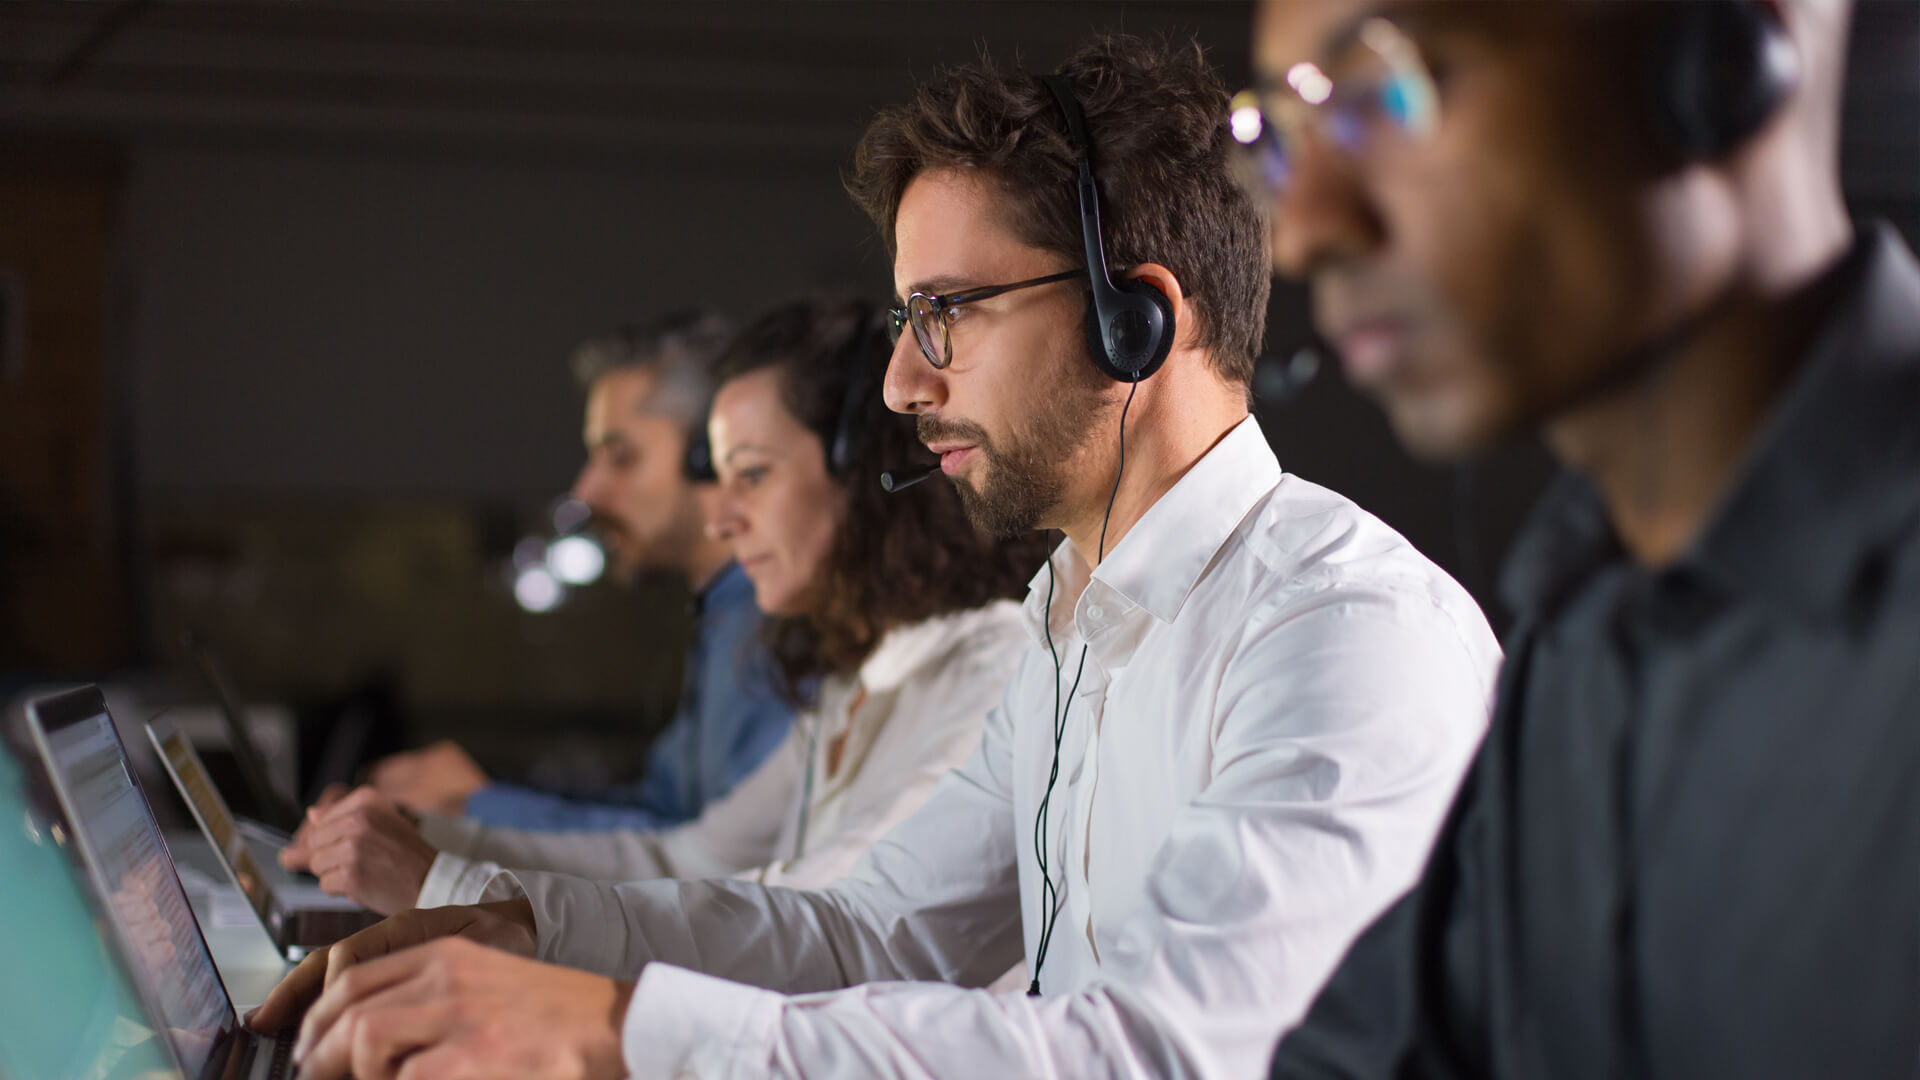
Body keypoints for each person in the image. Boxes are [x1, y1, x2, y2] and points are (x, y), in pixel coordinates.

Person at [248, 35, 1501, 1080]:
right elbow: (864, 930)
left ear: (1137, 321)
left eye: (946, 315)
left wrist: (618, 1032)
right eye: (908, 323)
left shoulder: (1344, 632)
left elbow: (1157, 1055)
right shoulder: (1071, 622)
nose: (904, 382)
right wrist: (520, 931)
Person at [1246, 1, 1920, 1076]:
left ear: (1720, 61)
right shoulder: (1586, 637)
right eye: (1286, 128)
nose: (1308, 224)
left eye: (1384, 84)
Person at [279, 298, 1044, 916]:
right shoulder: (856, 681)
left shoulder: (990, 670)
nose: (721, 518)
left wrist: (449, 882)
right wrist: (434, 840)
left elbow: (832, 926)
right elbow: (686, 860)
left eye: (751, 475)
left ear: (863, 473)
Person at [304, 311, 796, 836]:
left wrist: (480, 804)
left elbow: (718, 857)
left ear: (710, 456)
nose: (586, 491)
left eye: (621, 457)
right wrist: (477, 792)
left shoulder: (776, 622)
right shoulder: (723, 617)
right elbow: (664, 806)